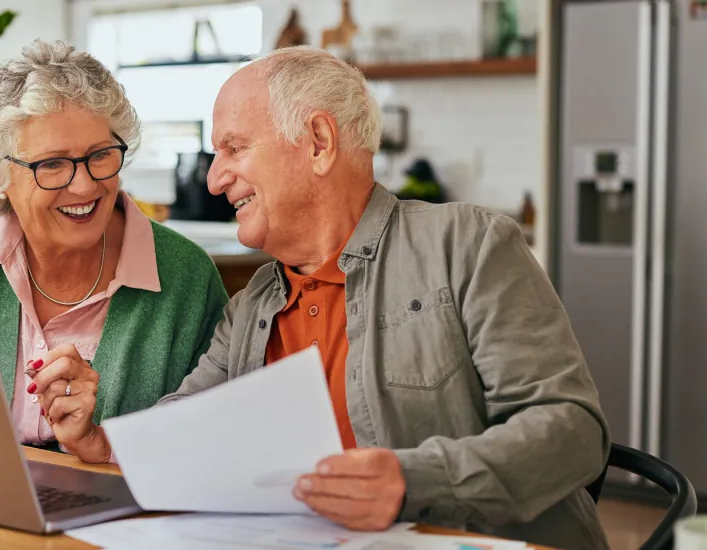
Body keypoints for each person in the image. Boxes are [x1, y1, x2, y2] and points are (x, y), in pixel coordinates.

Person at [158, 46, 611, 549]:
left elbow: (572, 434)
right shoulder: (253, 304)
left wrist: (410, 481)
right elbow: (179, 430)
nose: (214, 178)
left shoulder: (468, 245)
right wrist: (102, 442)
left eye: (235, 148)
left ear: (318, 142)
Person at [0, 39, 229, 464]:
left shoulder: (185, 275)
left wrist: (100, 441)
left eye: (100, 155)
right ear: (0, 175)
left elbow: (214, 443)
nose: (84, 186)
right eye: (52, 164)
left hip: (119, 521)